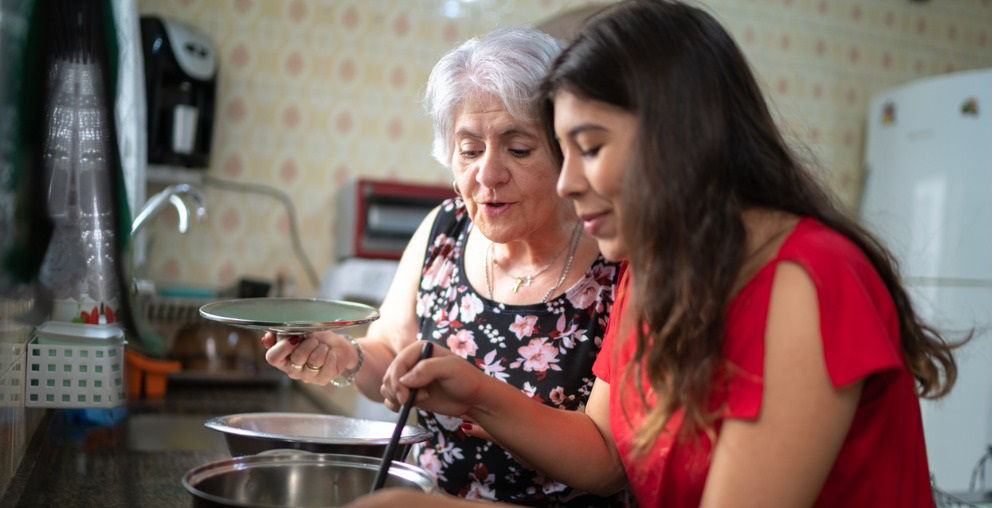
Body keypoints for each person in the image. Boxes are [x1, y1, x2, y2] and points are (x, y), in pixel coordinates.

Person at [362, 1, 961, 507]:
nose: (566, 183)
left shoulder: (810, 280)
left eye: (588, 148)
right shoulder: (651, 279)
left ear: (678, 140)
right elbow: (605, 457)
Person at [262, 27, 629, 506]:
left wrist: (478, 395)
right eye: (470, 150)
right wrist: (344, 357)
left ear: (565, 150)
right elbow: (392, 355)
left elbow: (607, 464)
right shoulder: (444, 230)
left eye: (518, 149)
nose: (488, 174)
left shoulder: (615, 258)